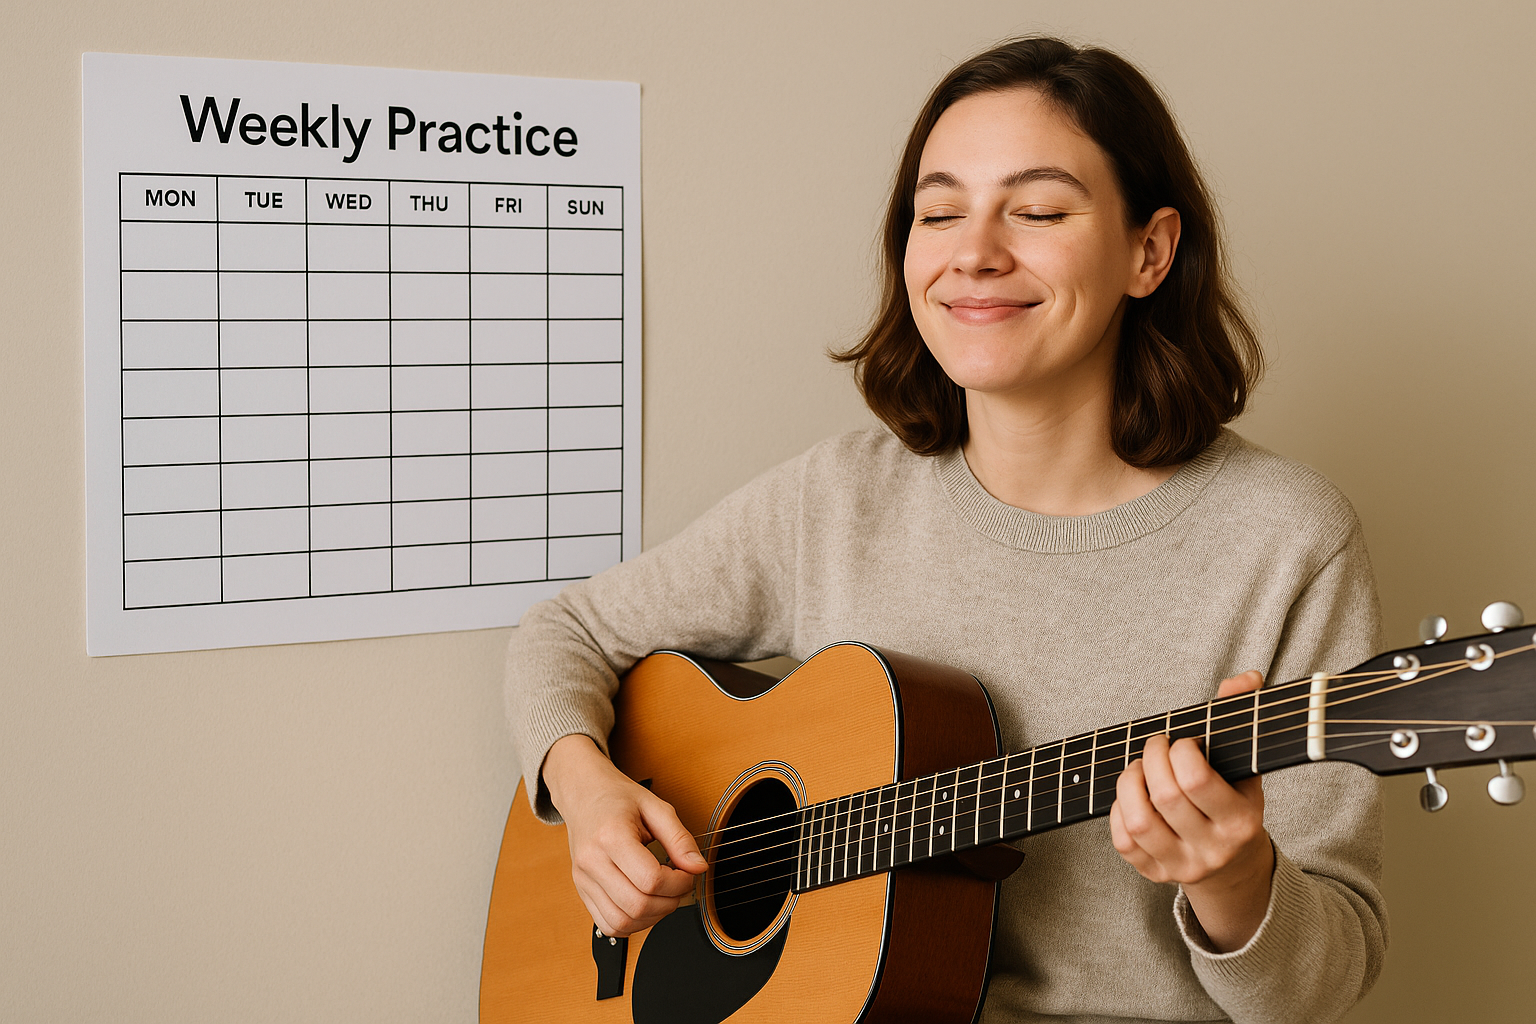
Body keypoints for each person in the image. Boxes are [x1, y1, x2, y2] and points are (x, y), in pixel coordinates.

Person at [504, 35, 1386, 1024]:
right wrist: (584, 793)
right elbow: (564, 633)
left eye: (1040, 209)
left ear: (1151, 250)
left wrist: (1235, 880)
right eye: (939, 211)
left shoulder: (1284, 537)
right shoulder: (834, 500)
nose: (974, 251)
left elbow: (1321, 985)